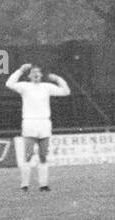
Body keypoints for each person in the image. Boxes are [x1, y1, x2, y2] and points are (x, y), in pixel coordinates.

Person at [5, 63, 70, 191]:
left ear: (40, 75)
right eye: (33, 72)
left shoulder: (47, 87)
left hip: (44, 123)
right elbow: (9, 84)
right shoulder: (24, 87)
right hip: (29, 123)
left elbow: (66, 91)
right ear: (29, 75)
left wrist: (58, 79)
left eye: (38, 72)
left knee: (43, 156)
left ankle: (43, 185)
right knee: (28, 156)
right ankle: (24, 185)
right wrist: (20, 70)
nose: (36, 74)